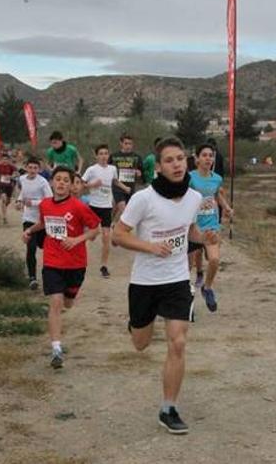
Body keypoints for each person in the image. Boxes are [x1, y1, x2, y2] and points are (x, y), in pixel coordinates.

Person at [112, 137, 216, 434]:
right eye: (169, 160)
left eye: (180, 158)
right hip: (145, 282)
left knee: (178, 342)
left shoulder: (194, 198)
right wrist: (149, 247)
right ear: (158, 167)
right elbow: (118, 235)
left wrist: (203, 238)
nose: (177, 164)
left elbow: (190, 230)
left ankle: (169, 408)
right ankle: (136, 325)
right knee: (141, 344)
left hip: (176, 279)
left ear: (188, 162)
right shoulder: (143, 199)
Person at [22, 166, 100, 369]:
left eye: (66, 180)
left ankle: (70, 295)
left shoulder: (79, 207)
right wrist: (29, 230)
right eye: (58, 179)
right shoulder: (46, 204)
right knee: (55, 303)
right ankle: (56, 348)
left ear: (72, 184)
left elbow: (95, 229)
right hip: (52, 261)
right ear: (52, 182)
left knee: (68, 303)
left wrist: (77, 240)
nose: (62, 183)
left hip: (75, 264)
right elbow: (43, 223)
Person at [188, 144, 233, 312]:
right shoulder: (190, 178)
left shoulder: (217, 178)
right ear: (197, 159)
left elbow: (216, 195)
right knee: (187, 266)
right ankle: (184, 295)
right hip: (193, 228)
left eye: (211, 155)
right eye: (205, 155)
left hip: (211, 225)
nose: (208, 158)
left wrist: (226, 207)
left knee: (214, 260)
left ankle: (207, 288)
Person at [82, 144, 126, 278]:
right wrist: (92, 185)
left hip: (106, 207)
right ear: (96, 156)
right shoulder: (91, 170)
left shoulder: (113, 168)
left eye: (106, 153)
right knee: (92, 235)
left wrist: (124, 187)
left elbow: (115, 181)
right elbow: (81, 184)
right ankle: (77, 260)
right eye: (101, 153)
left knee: (106, 237)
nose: (103, 156)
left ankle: (104, 266)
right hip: (93, 207)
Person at [15, 157, 53, 289]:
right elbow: (22, 193)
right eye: (30, 168)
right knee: (30, 248)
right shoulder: (22, 179)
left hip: (42, 221)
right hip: (28, 219)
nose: (32, 170)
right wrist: (19, 201)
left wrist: (34, 203)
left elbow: (49, 200)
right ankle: (32, 278)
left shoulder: (42, 182)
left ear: (39, 169)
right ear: (26, 167)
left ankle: (49, 274)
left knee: (46, 248)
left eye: (35, 168)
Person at [109, 133, 143, 222]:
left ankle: (111, 225)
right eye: (126, 143)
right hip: (117, 186)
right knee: (124, 210)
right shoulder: (114, 156)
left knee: (117, 210)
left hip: (130, 187)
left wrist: (139, 173)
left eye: (130, 144)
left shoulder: (137, 157)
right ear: (121, 143)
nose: (128, 146)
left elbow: (141, 174)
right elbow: (107, 169)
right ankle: (119, 228)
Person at [0, 153, 18, 224]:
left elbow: (16, 173)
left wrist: (11, 176)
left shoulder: (11, 166)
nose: (5, 161)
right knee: (4, 199)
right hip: (1, 185)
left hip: (9, 186)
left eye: (6, 159)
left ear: (8, 160)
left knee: (8, 201)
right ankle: (4, 217)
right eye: (3, 159)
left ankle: (4, 207)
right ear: (2, 160)